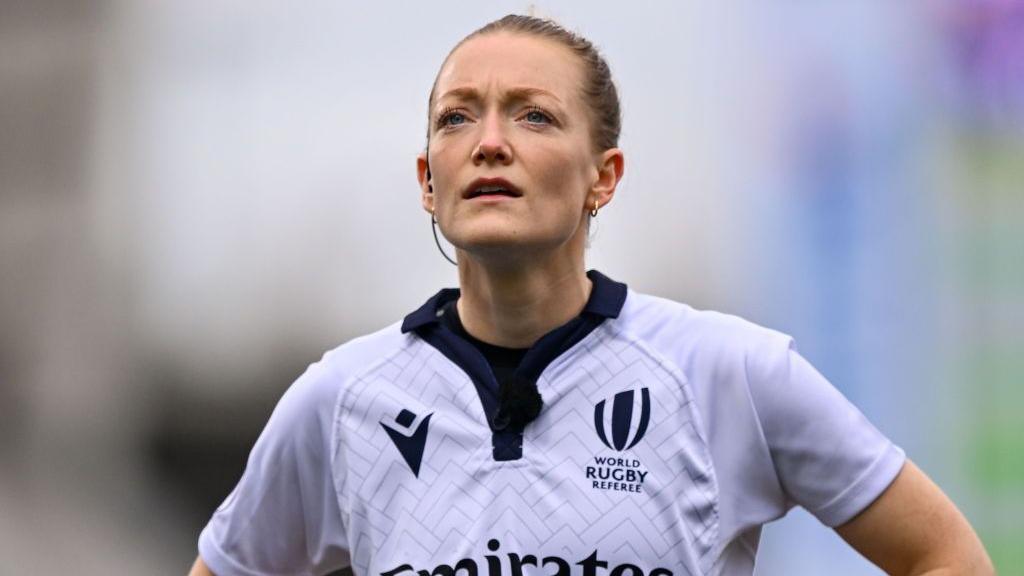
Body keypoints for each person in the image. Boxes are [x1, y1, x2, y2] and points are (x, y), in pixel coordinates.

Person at [189, 14, 992, 576]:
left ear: (603, 177)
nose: (490, 141)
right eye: (457, 117)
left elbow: (947, 557)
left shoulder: (727, 373)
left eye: (534, 116)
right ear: (429, 181)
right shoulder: (341, 400)